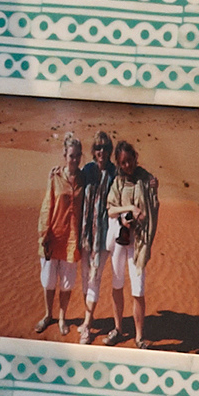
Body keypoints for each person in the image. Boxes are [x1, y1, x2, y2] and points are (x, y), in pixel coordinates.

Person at [92, 138, 160, 345]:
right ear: (119, 163)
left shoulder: (145, 179)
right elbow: (110, 208)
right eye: (123, 163)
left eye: (130, 160)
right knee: (117, 284)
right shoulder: (118, 182)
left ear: (135, 158)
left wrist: (154, 190)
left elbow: (153, 206)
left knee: (138, 289)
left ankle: (139, 336)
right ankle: (118, 329)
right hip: (120, 241)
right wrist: (128, 211)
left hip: (138, 242)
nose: (127, 165)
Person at [33, 131, 84, 333]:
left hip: (72, 239)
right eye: (72, 155)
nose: (75, 159)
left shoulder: (84, 178)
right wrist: (43, 233)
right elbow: (47, 205)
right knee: (48, 280)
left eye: (78, 155)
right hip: (54, 236)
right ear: (65, 155)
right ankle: (48, 315)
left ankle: (62, 317)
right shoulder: (55, 177)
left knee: (66, 283)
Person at [73, 128, 115, 343]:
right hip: (86, 236)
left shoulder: (115, 173)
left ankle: (88, 325)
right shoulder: (88, 170)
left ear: (110, 150)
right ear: (93, 150)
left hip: (103, 238)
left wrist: (150, 180)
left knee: (94, 279)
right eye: (98, 147)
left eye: (105, 147)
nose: (101, 151)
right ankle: (87, 317)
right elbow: (70, 175)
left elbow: (135, 175)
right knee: (84, 279)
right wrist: (56, 171)